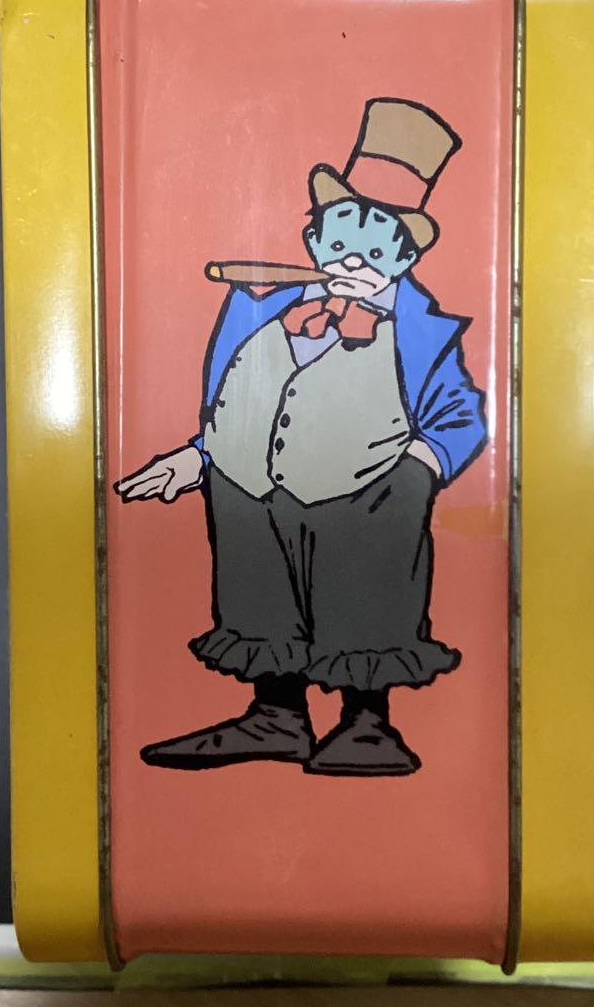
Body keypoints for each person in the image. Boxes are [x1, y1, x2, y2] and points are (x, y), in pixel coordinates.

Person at [115, 98, 488, 776]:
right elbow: (232, 395)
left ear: (404, 257)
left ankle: (366, 725)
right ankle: (276, 717)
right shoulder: (257, 301)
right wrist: (197, 460)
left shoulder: (422, 330)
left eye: (376, 248)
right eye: (340, 240)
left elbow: (459, 415)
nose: (354, 260)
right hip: (248, 487)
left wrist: (417, 467)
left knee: (362, 598)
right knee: (261, 595)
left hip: (367, 494)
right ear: (314, 240)